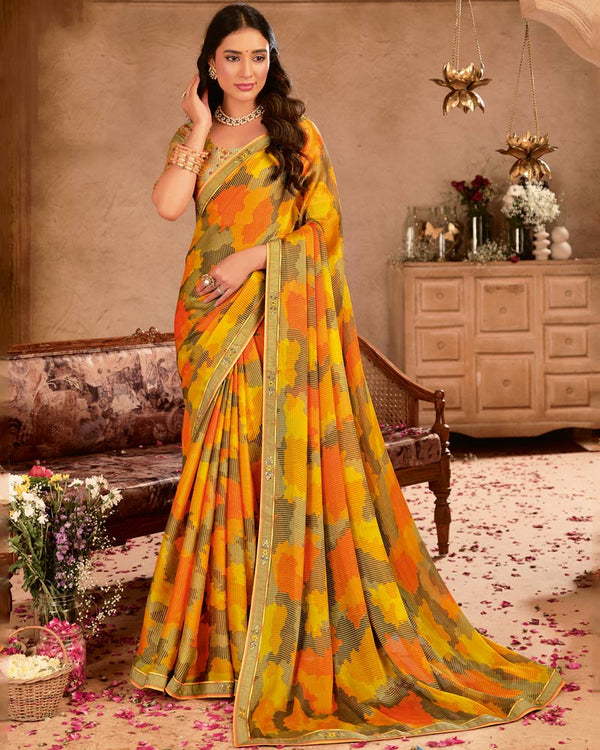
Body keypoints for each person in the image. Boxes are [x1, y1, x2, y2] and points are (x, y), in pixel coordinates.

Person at [130, 4, 564, 746]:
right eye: (231, 57)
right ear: (209, 65)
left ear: (272, 60)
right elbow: (170, 206)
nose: (245, 70)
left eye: (258, 56)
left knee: (272, 463)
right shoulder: (192, 135)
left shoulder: (297, 136)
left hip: (272, 317)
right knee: (223, 468)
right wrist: (198, 128)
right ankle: (224, 644)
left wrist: (253, 259)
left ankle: (278, 626)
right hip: (208, 324)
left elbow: (322, 234)